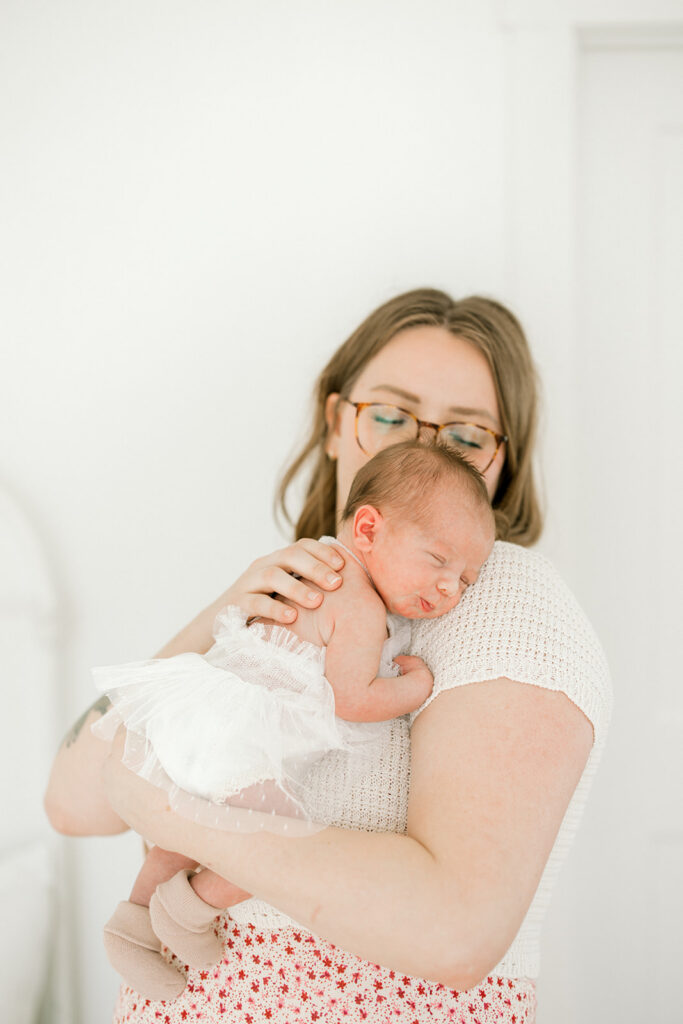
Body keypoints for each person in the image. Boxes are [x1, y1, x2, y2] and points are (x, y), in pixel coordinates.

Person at [45, 288, 612, 1024]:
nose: (424, 450)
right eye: (391, 415)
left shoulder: (503, 598)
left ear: (505, 462)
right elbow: (74, 805)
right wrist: (227, 614)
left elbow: (456, 930)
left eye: (467, 435)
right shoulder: (294, 596)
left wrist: (168, 814)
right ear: (336, 422)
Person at [92, 441, 495, 1001]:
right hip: (241, 742)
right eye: (437, 560)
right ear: (369, 530)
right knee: (275, 843)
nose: (450, 586)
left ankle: (132, 922)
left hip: (201, 721)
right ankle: (189, 909)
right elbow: (351, 698)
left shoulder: (313, 566)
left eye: (467, 579)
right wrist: (415, 687)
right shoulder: (359, 605)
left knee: (190, 831)